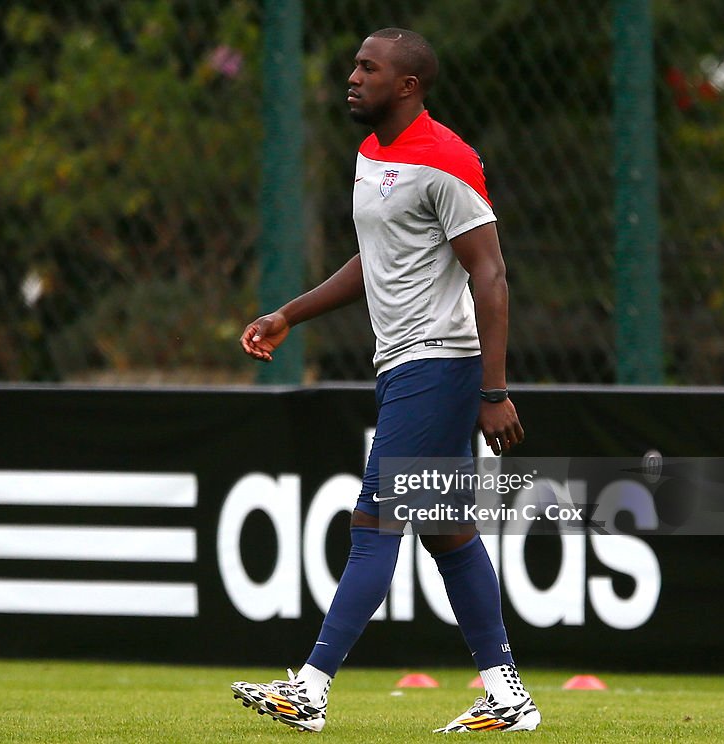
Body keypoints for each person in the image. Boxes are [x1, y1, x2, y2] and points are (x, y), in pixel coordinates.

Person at [230, 28, 540, 734]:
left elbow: (489, 274)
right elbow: (376, 260)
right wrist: (289, 315)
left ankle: (309, 689)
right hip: (404, 362)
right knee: (448, 532)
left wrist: (493, 390)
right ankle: (507, 696)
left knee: (375, 522)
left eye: (369, 68)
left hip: (441, 363)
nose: (353, 76)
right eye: (355, 65)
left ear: (408, 86)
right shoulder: (373, 154)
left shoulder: (447, 160)